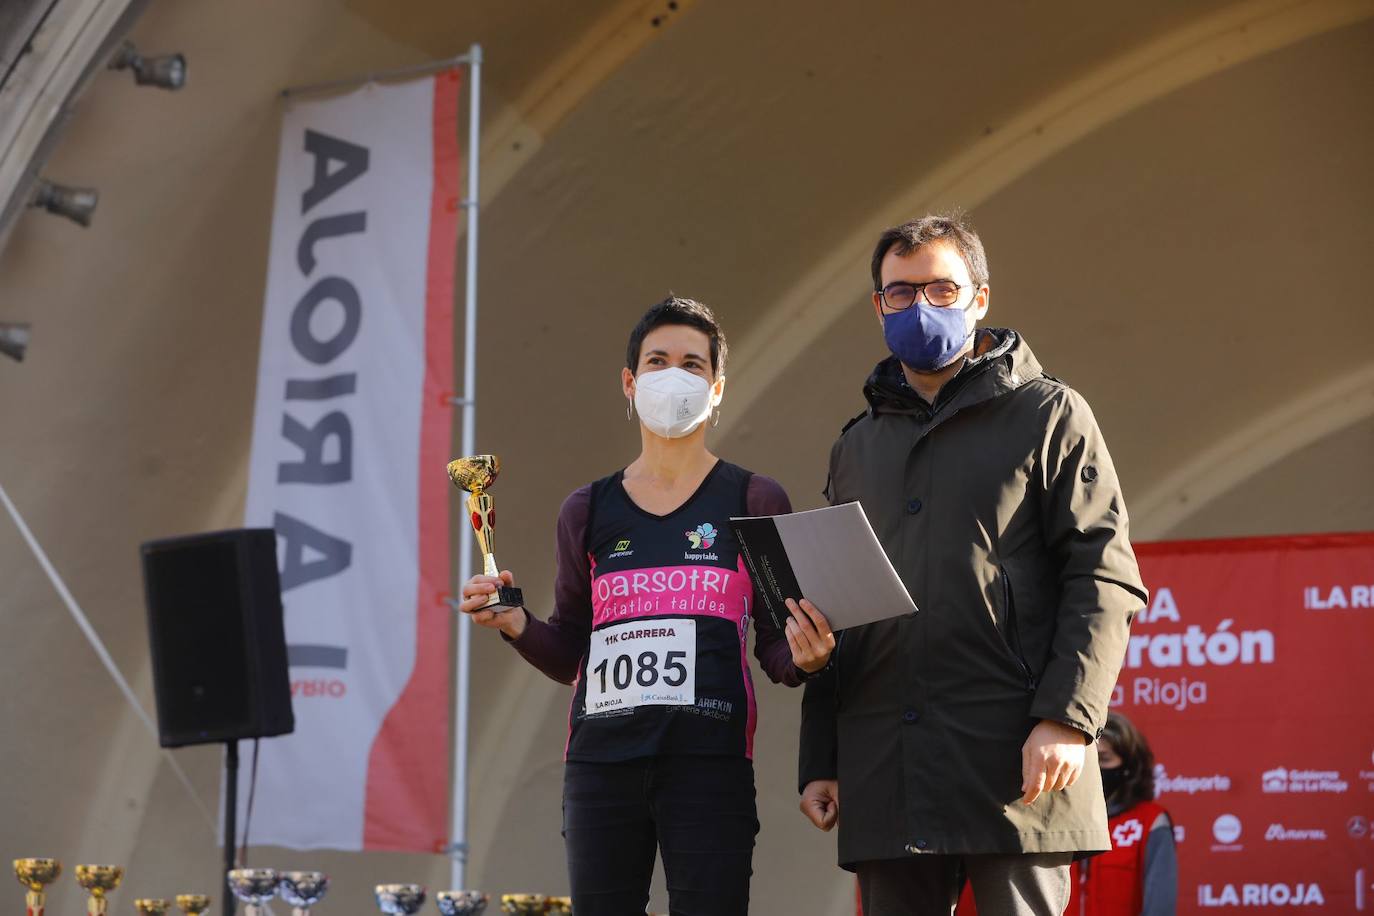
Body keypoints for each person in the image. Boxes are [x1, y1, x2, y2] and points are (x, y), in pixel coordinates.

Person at [797, 214, 1147, 916]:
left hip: (1017, 763)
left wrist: (1068, 719)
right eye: (899, 293)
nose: (919, 306)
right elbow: (842, 603)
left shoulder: (1052, 415)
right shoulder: (854, 448)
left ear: (980, 299)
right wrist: (822, 758)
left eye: (941, 288)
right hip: (886, 769)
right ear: (877, 306)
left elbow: (1103, 576)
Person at [458, 296, 835, 916]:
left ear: (717, 388)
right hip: (600, 768)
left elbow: (776, 647)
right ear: (630, 384)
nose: (673, 377)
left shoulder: (756, 498)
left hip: (710, 766)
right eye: (657, 363)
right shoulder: (587, 508)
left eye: (692, 365)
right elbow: (570, 648)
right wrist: (515, 624)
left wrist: (812, 658)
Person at [1071, 712, 1177, 915]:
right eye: (1089, 759)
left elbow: (1159, 906)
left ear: (1129, 764)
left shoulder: (1151, 821)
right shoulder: (1063, 821)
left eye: (1104, 759)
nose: (1095, 768)